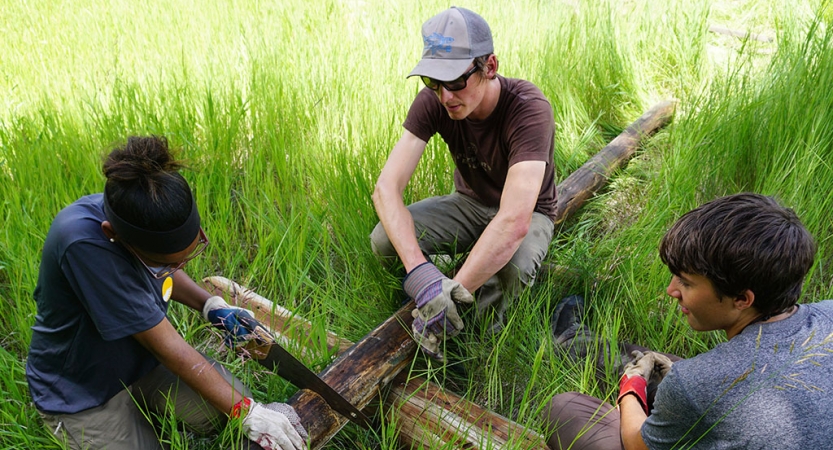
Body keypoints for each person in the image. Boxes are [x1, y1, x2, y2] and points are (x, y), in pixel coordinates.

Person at [26, 136, 307, 450]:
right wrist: (247, 411)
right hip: (84, 392)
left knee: (224, 406)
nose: (178, 267)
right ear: (112, 235)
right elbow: (168, 348)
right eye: (167, 263)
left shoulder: (137, 210)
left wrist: (210, 305)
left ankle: (153, 411)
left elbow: (164, 270)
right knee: (234, 408)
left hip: (140, 363)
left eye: (186, 257)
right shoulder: (82, 246)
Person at [543, 193, 833, 449]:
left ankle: (582, 346)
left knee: (565, 408)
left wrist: (631, 387)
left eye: (686, 282)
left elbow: (636, 443)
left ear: (742, 299)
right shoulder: (827, 314)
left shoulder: (694, 382)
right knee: (665, 366)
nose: (671, 290)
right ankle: (577, 341)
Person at [370, 7, 557, 360]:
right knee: (383, 239)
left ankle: (483, 342)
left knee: (512, 270)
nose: (445, 96)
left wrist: (452, 294)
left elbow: (514, 220)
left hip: (529, 213)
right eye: (433, 81)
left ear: (489, 67)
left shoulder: (529, 108)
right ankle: (435, 281)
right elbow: (386, 189)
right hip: (470, 203)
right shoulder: (434, 101)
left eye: (456, 81)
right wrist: (419, 272)